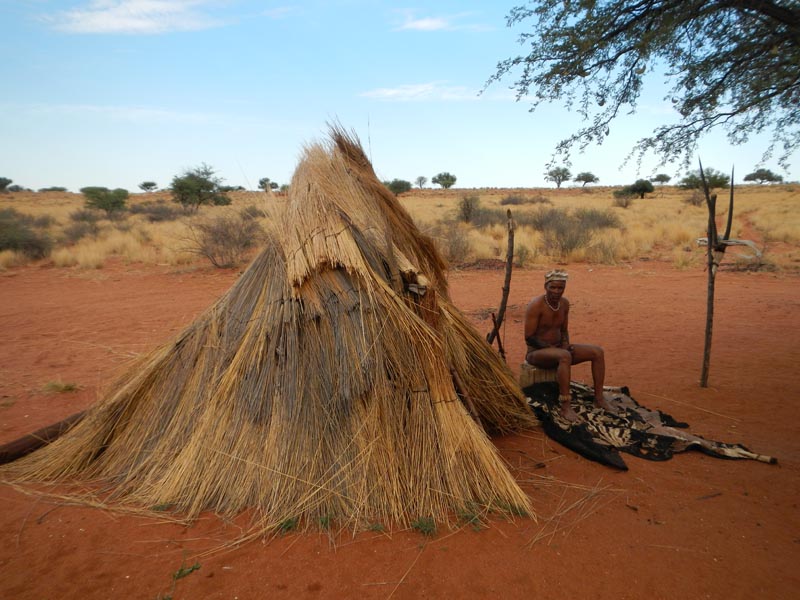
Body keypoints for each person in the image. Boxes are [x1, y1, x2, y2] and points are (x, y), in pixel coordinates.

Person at [524, 269, 610, 422]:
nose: (557, 291)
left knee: (597, 352)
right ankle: (565, 405)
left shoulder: (564, 304)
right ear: (546, 286)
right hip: (537, 353)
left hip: (558, 349)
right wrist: (553, 349)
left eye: (560, 288)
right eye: (553, 287)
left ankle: (598, 398)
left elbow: (563, 330)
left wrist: (565, 344)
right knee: (564, 356)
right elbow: (529, 338)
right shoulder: (536, 305)